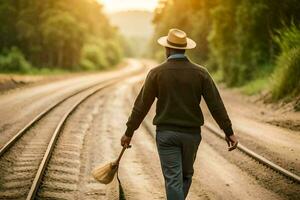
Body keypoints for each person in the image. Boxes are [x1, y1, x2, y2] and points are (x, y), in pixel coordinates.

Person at [120, 28, 238, 200]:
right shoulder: (201, 73)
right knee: (185, 176)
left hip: (166, 135)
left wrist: (129, 132)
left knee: (173, 180)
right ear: (184, 49)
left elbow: (141, 106)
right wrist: (229, 132)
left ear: (167, 49)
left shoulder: (156, 73)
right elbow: (216, 105)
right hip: (191, 135)